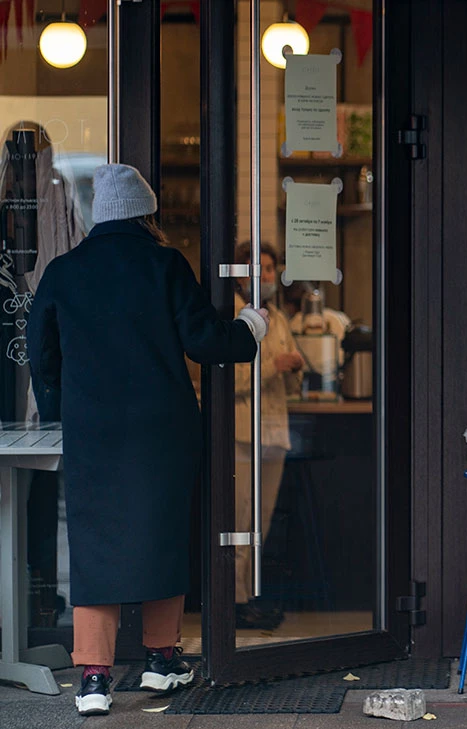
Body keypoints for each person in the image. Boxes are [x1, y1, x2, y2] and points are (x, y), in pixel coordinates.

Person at [26, 163, 266, 716]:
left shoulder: (64, 271)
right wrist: (250, 326)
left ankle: (92, 677)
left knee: (94, 547)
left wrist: (64, 410)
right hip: (163, 432)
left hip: (94, 433)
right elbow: (206, 341)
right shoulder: (165, 265)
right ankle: (162, 660)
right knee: (162, 536)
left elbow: (41, 352)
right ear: (145, 212)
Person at [232, 242, 304, 629]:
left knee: (262, 522)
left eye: (271, 269)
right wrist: (275, 366)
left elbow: (291, 381)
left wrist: (295, 368)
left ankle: (250, 598)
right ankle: (236, 601)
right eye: (257, 268)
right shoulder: (231, 314)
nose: (265, 275)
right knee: (240, 519)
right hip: (243, 433)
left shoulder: (278, 316)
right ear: (240, 273)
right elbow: (226, 377)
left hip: (275, 433)